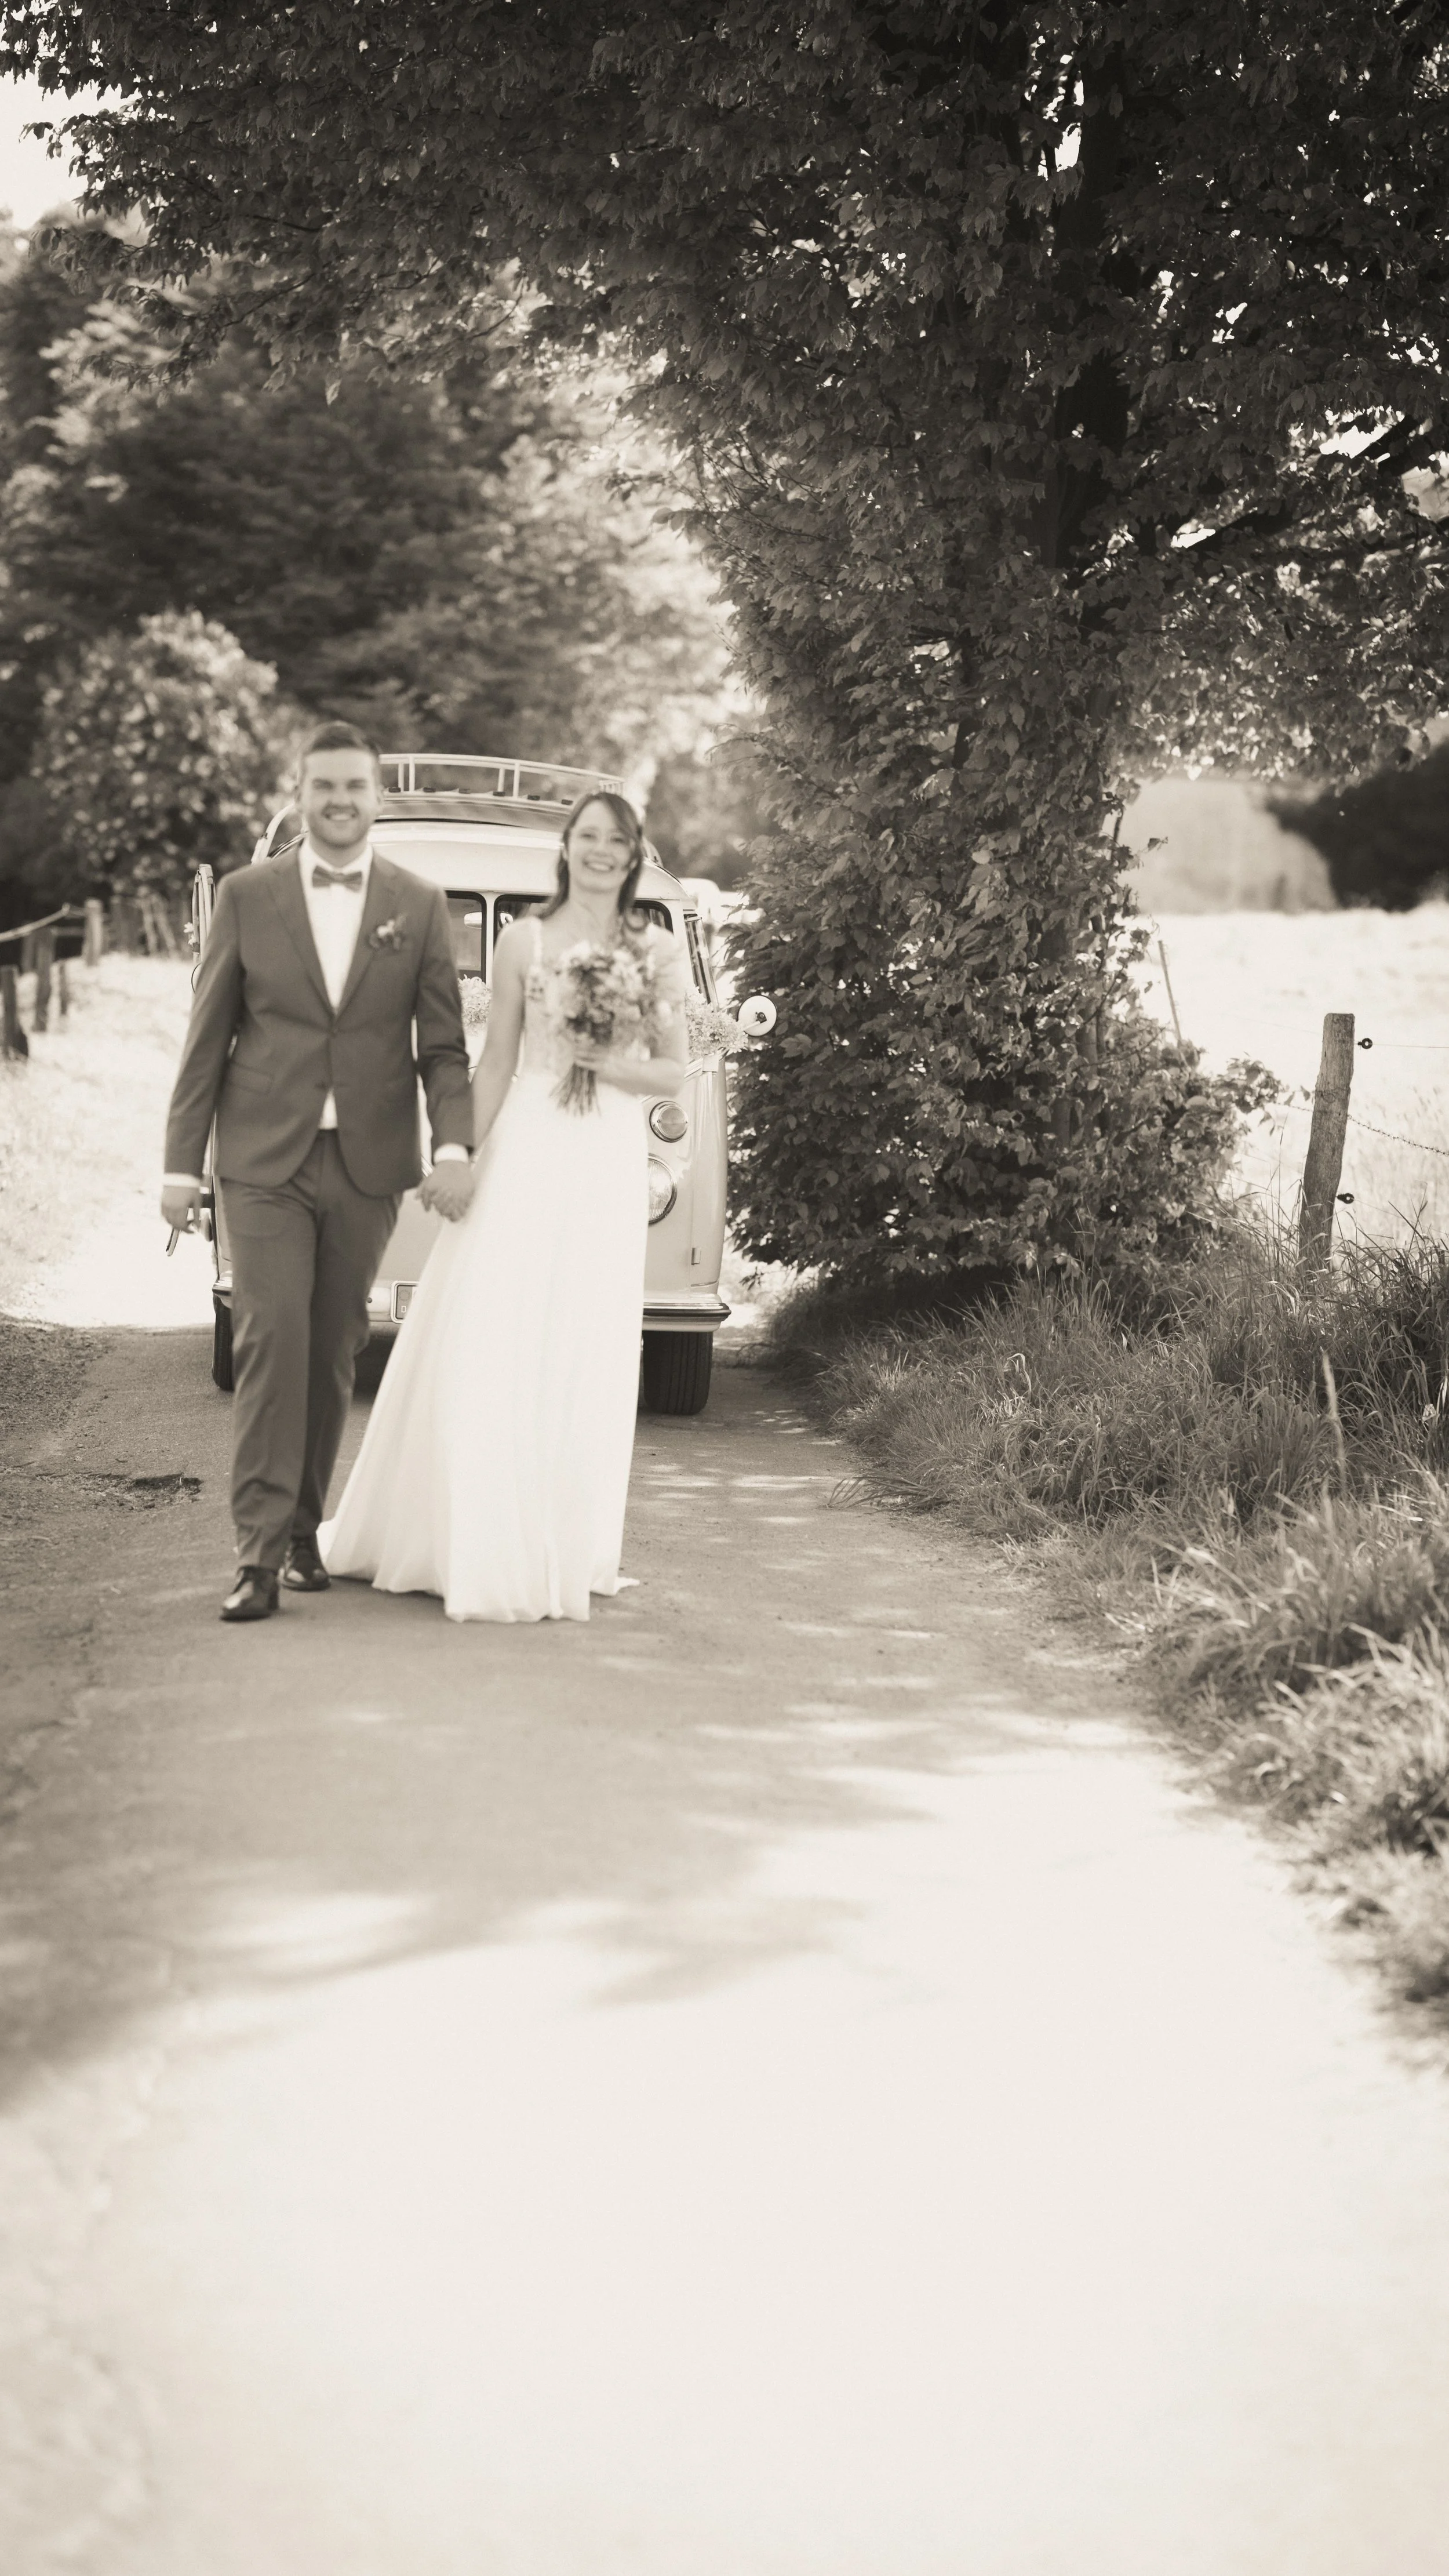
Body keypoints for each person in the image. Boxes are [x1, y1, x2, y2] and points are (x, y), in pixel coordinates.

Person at [319, 791, 689, 1622]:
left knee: (582, 1336)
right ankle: (475, 1537)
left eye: (616, 839)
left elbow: (671, 1069)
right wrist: (457, 1153)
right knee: (498, 1319)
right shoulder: (524, 939)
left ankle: (561, 1544)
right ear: (568, 847)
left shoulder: (657, 949)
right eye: (587, 836)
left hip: (605, 1156)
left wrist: (603, 1062)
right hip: (530, 1140)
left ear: (633, 853)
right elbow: (494, 1064)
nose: (600, 850)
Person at [161, 721, 475, 1623]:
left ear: (377, 798)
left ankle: (304, 1529)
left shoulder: (419, 904)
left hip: (368, 1162)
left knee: (332, 1346)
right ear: (299, 795)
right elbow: (206, 1040)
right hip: (262, 1159)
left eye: (354, 787)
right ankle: (256, 1556)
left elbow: (443, 1048)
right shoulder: (246, 895)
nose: (339, 801)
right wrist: (180, 1167)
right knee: (271, 1339)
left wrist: (453, 1146)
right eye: (323, 786)